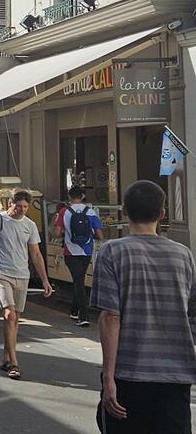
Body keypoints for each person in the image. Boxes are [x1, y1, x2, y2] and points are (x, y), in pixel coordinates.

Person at [91, 180, 196, 433]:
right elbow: (192, 318)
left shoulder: (112, 251)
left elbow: (110, 317)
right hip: (176, 376)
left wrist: (109, 377)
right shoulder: (184, 255)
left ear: (124, 210)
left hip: (130, 375)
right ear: (162, 213)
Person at [0, 189, 53, 381]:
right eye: (18, 206)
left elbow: (35, 254)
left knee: (15, 319)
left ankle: (5, 357)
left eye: (25, 207)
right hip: (2, 273)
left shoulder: (30, 225)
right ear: (10, 203)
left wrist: (45, 280)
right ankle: (15, 363)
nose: (22, 210)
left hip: (22, 275)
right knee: (9, 314)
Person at [54, 185, 104, 327]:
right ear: (83, 196)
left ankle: (83, 315)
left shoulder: (64, 212)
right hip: (87, 251)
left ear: (69, 197)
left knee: (78, 281)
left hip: (70, 252)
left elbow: (57, 233)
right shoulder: (91, 212)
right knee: (79, 280)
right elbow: (100, 235)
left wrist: (66, 233)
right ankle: (75, 310)